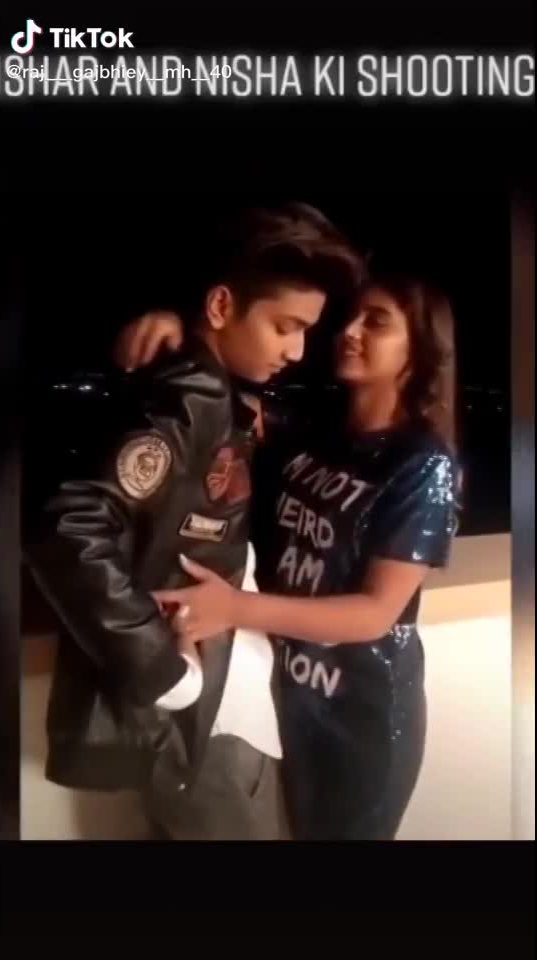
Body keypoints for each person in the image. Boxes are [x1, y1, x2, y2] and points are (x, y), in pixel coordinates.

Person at [25, 203, 360, 841]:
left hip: (217, 705)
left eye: (306, 332)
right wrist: (165, 671)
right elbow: (67, 526)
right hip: (205, 720)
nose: (297, 351)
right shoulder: (193, 394)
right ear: (223, 306)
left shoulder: (220, 389)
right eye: (285, 327)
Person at [116, 269, 461, 841]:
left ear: (419, 350)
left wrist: (234, 609)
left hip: (358, 717)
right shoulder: (314, 434)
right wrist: (180, 326)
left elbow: (375, 613)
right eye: (351, 318)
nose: (349, 331)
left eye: (376, 322)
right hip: (288, 698)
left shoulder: (422, 463)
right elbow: (220, 389)